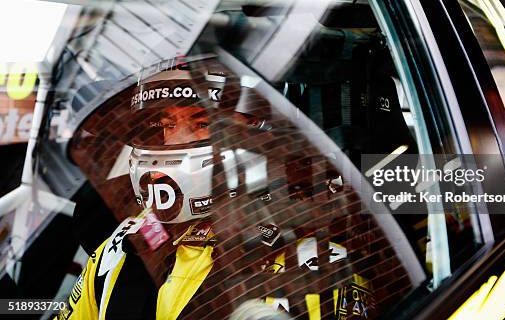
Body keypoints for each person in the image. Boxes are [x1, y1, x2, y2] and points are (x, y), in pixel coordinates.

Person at [58, 57, 390, 319]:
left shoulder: (315, 263)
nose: (175, 141)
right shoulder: (121, 247)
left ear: (261, 134)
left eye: (202, 123)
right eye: (165, 125)